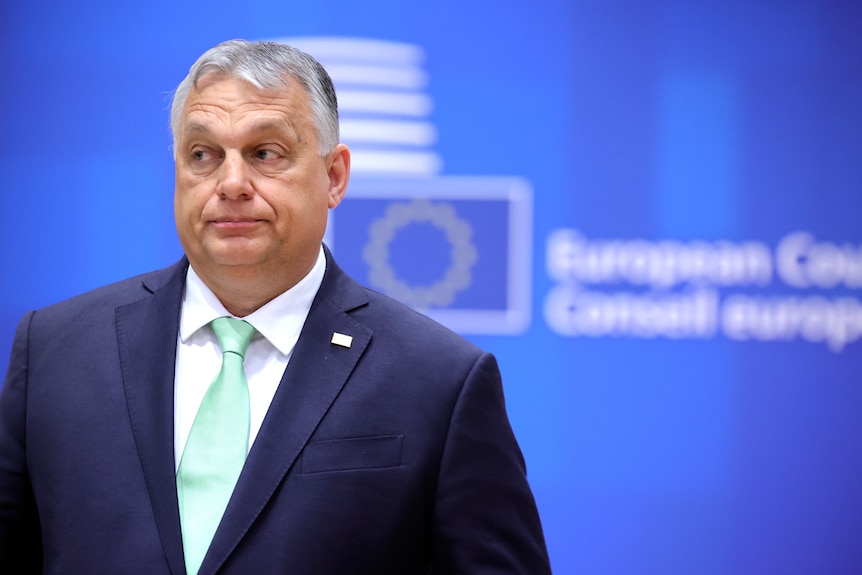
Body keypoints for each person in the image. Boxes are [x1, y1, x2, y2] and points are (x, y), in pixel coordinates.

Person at [0, 39, 551, 574]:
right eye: (202, 155)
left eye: (265, 153)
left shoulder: (440, 381)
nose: (231, 183)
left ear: (333, 177)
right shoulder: (55, 349)